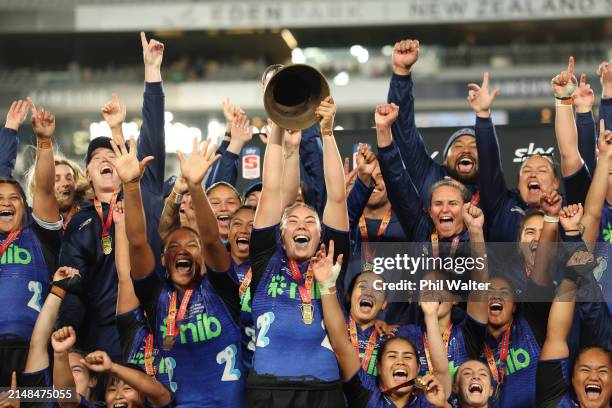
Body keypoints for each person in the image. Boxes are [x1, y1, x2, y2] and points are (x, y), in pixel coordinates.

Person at [58, 32, 167, 360]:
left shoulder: (145, 192)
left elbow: (153, 128)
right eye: (95, 160)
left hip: (157, 324)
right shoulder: (80, 222)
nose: (105, 160)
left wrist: (152, 72)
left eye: (111, 156)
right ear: (88, 175)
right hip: (102, 333)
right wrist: (69, 333)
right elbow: (73, 285)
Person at [118, 136, 244, 407]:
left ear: (203, 259)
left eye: (191, 245)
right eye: (174, 246)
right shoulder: (155, 296)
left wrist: (197, 188)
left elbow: (211, 240)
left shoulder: (223, 288)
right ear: (163, 260)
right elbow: (138, 242)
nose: (183, 249)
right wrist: (130, 185)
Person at [246, 96, 350, 407]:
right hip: (267, 389)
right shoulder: (267, 260)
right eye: (292, 220)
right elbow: (271, 189)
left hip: (324, 389)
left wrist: (328, 133)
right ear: (281, 233)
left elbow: (337, 197)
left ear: (320, 234)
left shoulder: (331, 259)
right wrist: (277, 128)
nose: (301, 225)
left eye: (309, 221)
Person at [311, 242, 451, 408]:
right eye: (363, 286)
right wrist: (327, 284)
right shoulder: (332, 318)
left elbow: (441, 370)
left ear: (384, 303)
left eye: (377, 289)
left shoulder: (396, 335)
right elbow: (340, 343)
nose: (369, 292)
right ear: (348, 296)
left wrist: (430, 315)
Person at [0, 104, 62, 387]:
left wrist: (44, 141)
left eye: (14, 198)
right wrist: (10, 131)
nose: (6, 202)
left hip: (33, 348)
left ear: (25, 206)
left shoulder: (38, 234)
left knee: (34, 402)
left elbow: (46, 190)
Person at [387, 39, 479, 208]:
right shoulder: (429, 175)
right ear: (445, 160)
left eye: (474, 145)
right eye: (458, 145)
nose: (466, 149)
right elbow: (404, 130)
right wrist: (401, 72)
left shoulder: (493, 192)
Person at [536, 249, 611, 408]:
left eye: (603, 371)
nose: (593, 377)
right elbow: (556, 335)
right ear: (572, 379)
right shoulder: (555, 401)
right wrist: (570, 278)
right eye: (585, 369)